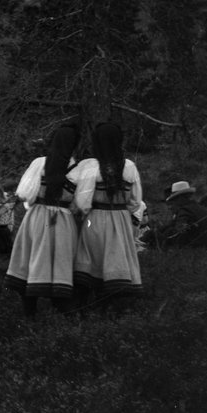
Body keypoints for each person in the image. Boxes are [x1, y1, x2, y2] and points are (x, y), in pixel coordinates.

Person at [4, 123, 81, 316]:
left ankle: (29, 312)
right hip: (63, 219)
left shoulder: (40, 164)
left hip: (37, 216)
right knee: (60, 261)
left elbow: (24, 193)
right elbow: (78, 203)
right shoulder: (78, 170)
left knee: (32, 258)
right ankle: (61, 309)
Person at [70, 122, 143, 306]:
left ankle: (87, 302)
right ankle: (112, 302)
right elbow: (135, 202)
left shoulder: (90, 166)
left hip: (96, 218)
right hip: (121, 218)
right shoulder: (130, 167)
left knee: (90, 258)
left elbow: (82, 201)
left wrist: (81, 214)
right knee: (116, 257)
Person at [145, 181, 207, 249]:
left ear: (181, 199)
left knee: (155, 233)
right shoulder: (202, 208)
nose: (174, 204)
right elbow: (172, 223)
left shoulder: (185, 210)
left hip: (189, 246)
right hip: (203, 245)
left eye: (175, 200)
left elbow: (178, 232)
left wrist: (155, 235)